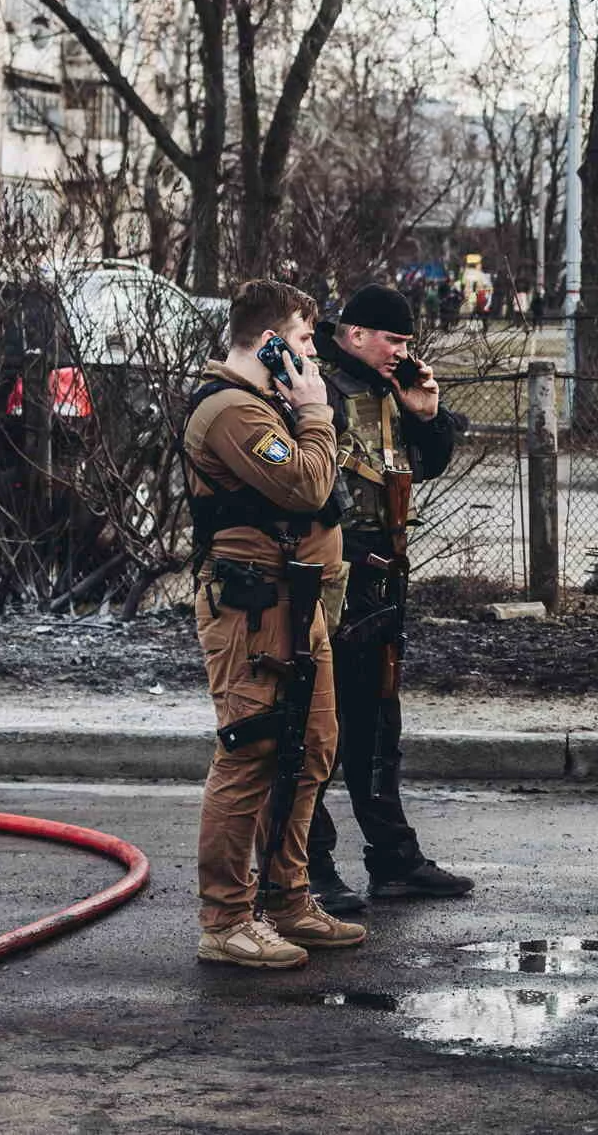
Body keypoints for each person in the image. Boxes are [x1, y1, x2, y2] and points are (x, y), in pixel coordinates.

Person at [185, 278, 366, 968]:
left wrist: (309, 411)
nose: (311, 352)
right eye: (300, 338)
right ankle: (226, 917)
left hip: (298, 604)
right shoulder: (232, 411)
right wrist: (315, 412)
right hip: (251, 608)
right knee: (252, 751)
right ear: (267, 342)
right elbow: (306, 485)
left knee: (313, 744)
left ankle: (288, 897)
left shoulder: (269, 404)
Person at [304, 283, 474, 912]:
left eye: (406, 340)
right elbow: (306, 485)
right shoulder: (317, 389)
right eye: (391, 339)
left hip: (381, 579)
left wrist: (426, 414)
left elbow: (425, 464)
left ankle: (394, 859)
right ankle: (309, 861)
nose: (401, 350)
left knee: (377, 724)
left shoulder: (386, 392)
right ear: (353, 334)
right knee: (316, 724)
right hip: (331, 578)